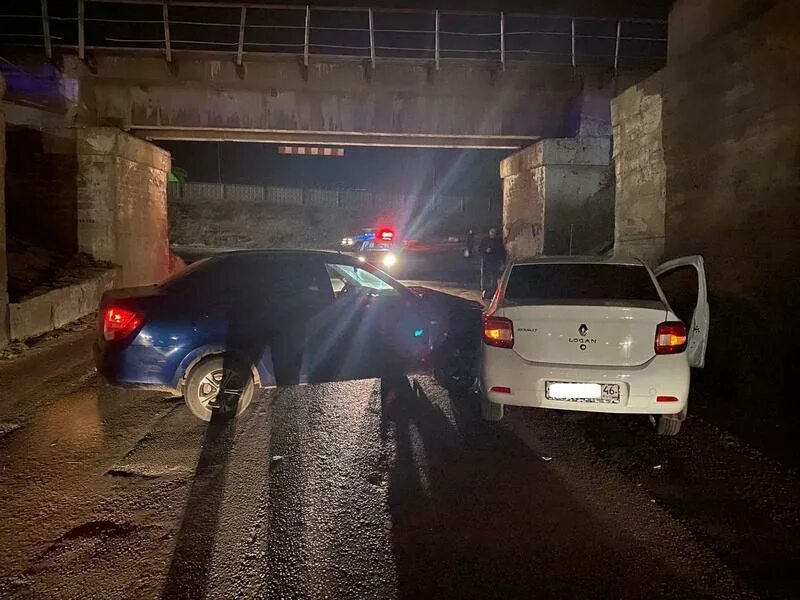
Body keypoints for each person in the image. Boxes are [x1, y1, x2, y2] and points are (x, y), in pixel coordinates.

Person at [478, 227, 506, 300]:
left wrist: (502, 263)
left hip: (495, 263)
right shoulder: (485, 240)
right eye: (492, 232)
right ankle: (485, 293)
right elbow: (479, 249)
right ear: (489, 232)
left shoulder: (498, 241)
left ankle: (492, 294)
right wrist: (485, 250)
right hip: (486, 263)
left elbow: (502, 252)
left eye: (494, 232)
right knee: (486, 279)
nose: (493, 234)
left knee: (494, 279)